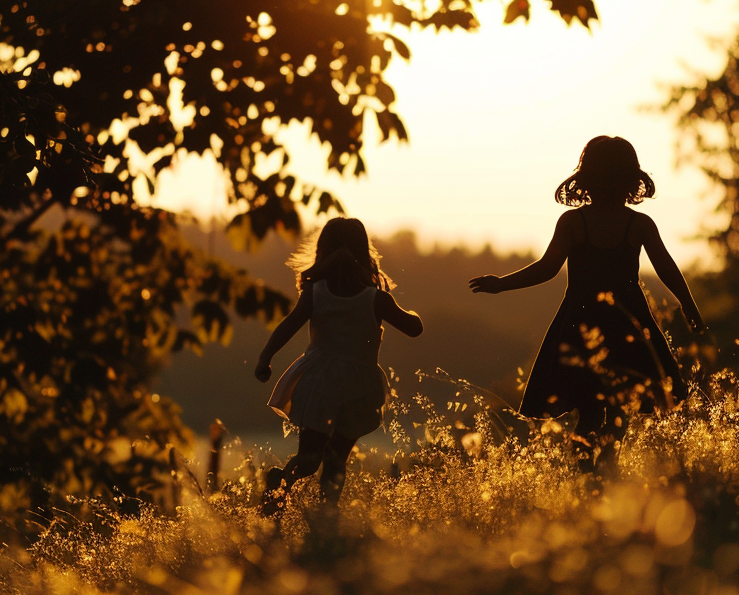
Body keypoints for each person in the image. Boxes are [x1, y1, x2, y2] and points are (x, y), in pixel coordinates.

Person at [469, 136, 705, 470]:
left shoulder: (578, 223)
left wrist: (501, 285)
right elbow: (666, 267)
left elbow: (547, 268)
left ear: (585, 177)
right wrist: (688, 305)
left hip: (581, 325)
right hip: (626, 325)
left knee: (591, 411)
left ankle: (587, 473)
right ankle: (600, 471)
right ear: (631, 179)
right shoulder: (636, 224)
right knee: (618, 410)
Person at [255, 217, 423, 516]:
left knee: (308, 456)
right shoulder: (377, 300)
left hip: (319, 381)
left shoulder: (315, 293)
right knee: (336, 460)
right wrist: (408, 310)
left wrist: (264, 358)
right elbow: (414, 329)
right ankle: (326, 516)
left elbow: (288, 326)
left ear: (322, 252)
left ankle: (282, 482)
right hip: (360, 386)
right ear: (365, 254)